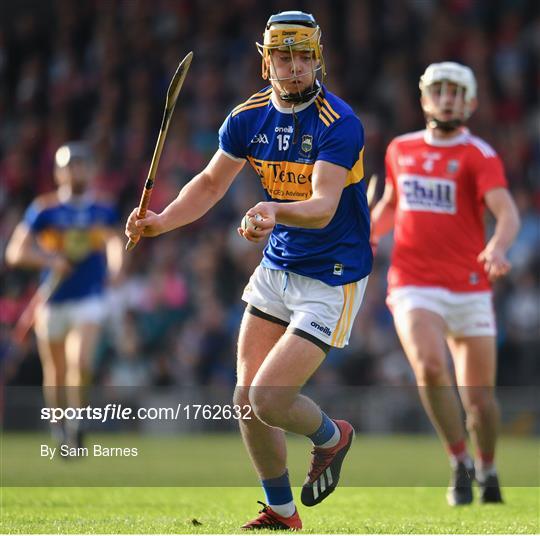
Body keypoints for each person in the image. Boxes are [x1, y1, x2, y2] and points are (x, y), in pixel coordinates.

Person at [125, 11, 372, 529]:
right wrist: (162, 221)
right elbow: (212, 184)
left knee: (268, 396)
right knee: (244, 398)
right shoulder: (247, 118)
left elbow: (324, 204)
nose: (296, 67)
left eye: (305, 56)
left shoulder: (338, 122)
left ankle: (332, 436)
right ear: (267, 62)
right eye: (285, 56)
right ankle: (282, 511)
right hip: (279, 266)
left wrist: (273, 210)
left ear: (318, 58)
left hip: (332, 274)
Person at [370, 62, 520, 506]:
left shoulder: (479, 154)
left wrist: (496, 248)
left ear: (471, 102)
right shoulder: (400, 149)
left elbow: (507, 212)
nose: (448, 98)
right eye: (440, 90)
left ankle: (488, 466)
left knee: (481, 405)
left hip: (470, 287)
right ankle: (459, 462)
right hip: (414, 283)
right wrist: (369, 232)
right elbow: (392, 205)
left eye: (457, 92)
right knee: (430, 368)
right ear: (424, 98)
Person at [6, 142, 123, 451]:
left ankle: (77, 421)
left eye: (82, 164)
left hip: (90, 296)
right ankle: (59, 429)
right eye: (70, 165)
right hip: (53, 299)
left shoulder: (103, 208)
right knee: (55, 371)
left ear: (92, 169)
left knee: (80, 360)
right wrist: (50, 260)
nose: (76, 170)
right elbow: (15, 252)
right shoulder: (45, 210)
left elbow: (114, 243)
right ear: (59, 173)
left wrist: (115, 268)